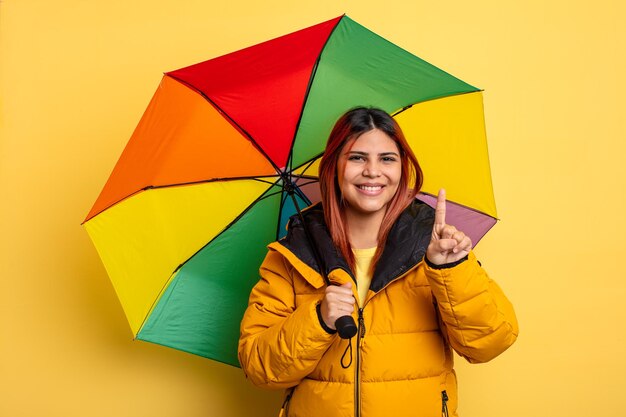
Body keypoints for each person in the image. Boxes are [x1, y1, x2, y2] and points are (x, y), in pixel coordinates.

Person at [238, 107, 518, 417]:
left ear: (403, 168)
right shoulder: (290, 255)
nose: (373, 171)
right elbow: (260, 369)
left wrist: (449, 269)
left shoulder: (436, 247)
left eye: (387, 159)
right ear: (334, 167)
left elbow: (490, 342)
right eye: (357, 157)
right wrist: (318, 319)